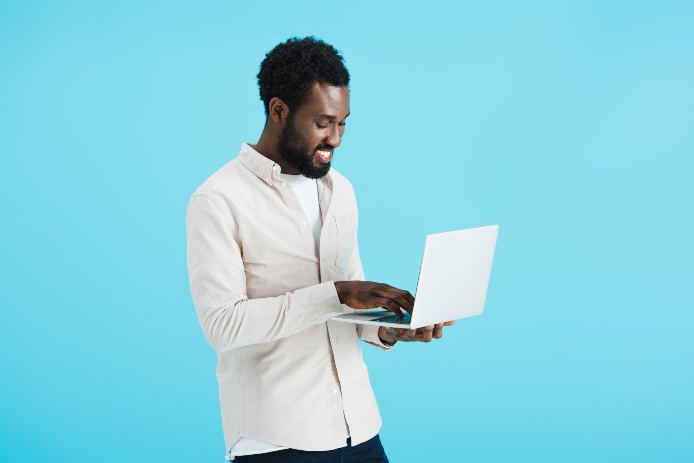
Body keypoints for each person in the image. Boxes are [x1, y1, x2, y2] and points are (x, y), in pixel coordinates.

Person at [186, 36, 454, 463]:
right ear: (279, 111)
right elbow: (223, 325)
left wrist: (389, 327)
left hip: (360, 430)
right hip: (277, 440)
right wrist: (336, 293)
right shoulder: (218, 200)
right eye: (323, 123)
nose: (337, 138)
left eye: (344, 123)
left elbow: (350, 310)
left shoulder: (340, 191)